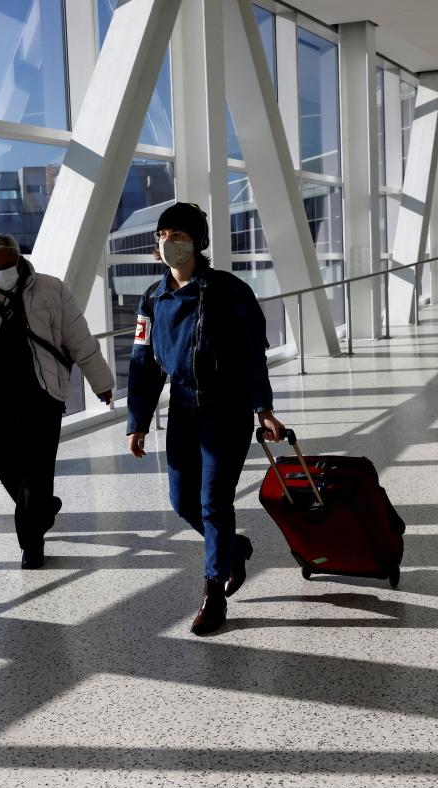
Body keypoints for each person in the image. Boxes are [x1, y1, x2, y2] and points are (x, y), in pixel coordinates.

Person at [126, 202, 286, 636]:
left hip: (226, 408)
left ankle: (213, 593)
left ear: (198, 242)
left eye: (178, 236)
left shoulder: (230, 292)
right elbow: (144, 362)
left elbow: (253, 354)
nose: (168, 244)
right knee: (183, 502)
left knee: (215, 501)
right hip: (182, 409)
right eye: (162, 237)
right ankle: (234, 547)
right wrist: (138, 420)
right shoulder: (152, 298)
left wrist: (262, 407)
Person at [0, 233, 115, 569]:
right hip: (0, 398)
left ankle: (31, 544)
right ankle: (40, 509)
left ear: (18, 258)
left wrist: (102, 383)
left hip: (43, 394)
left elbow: (78, 337)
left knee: (38, 472)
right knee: (3, 463)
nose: (1, 270)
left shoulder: (50, 289)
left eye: (6, 263)